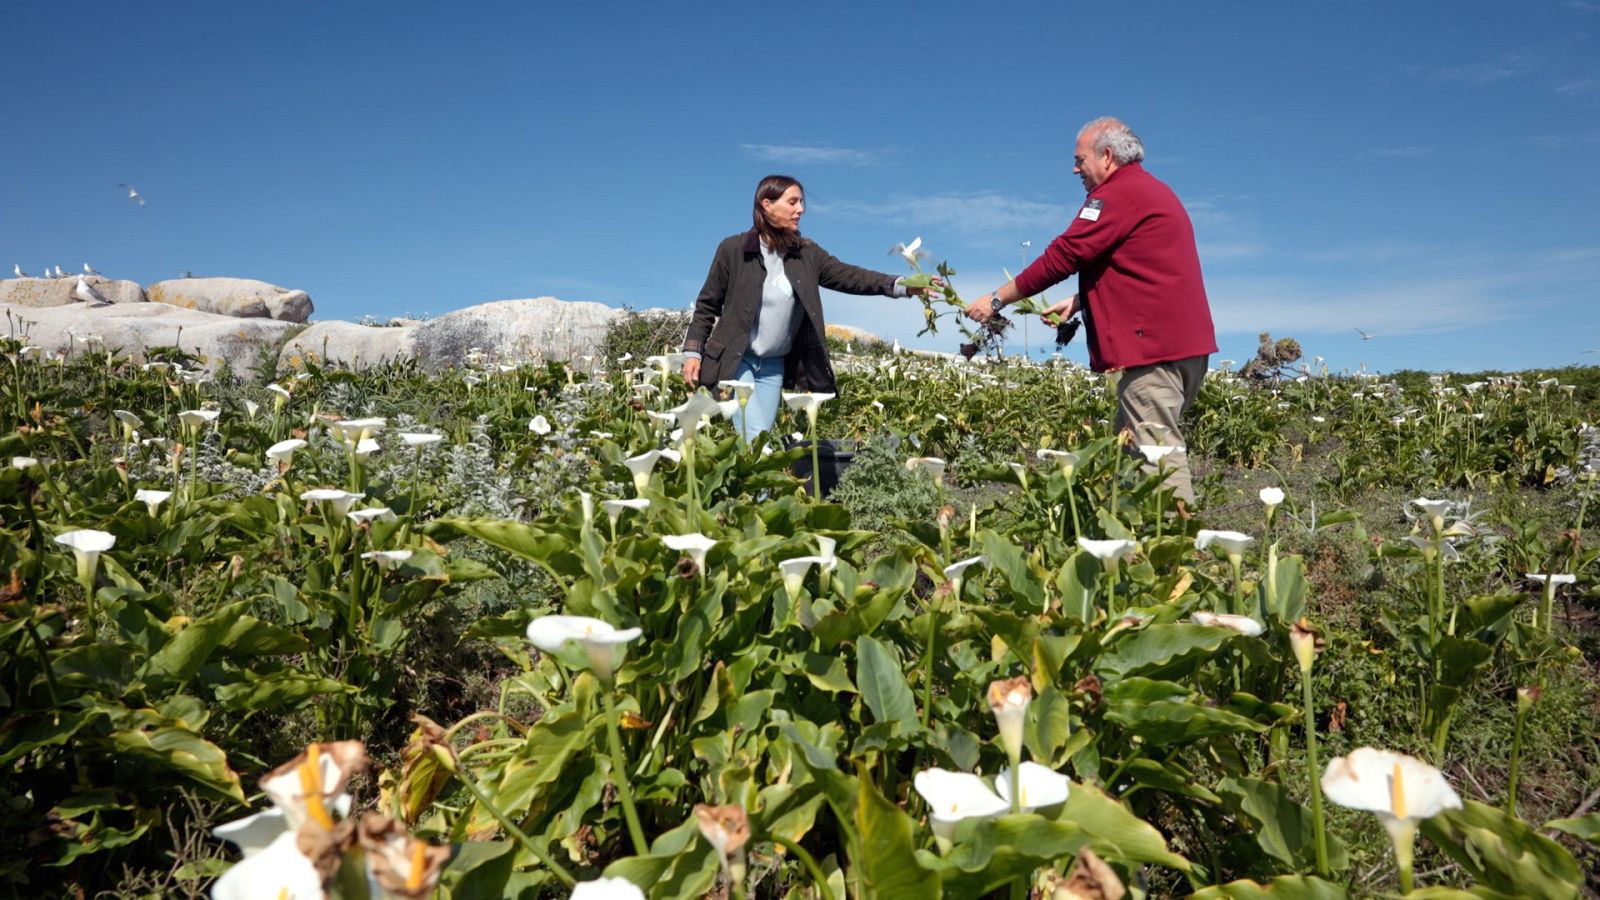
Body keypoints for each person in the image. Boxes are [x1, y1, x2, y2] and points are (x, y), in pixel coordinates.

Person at [965, 117, 1217, 507]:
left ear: (1107, 156)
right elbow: (1142, 264)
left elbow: (1064, 256)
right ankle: (1135, 552)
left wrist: (997, 299)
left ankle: (1179, 554)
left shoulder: (1117, 194)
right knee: (1130, 454)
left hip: (1153, 355)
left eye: (1079, 159)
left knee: (1157, 463)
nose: (1075, 168)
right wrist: (1081, 300)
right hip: (1182, 350)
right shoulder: (1152, 191)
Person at [682, 175, 935, 440]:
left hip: (773, 365)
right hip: (737, 360)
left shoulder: (807, 254)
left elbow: (852, 276)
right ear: (766, 204)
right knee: (754, 434)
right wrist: (692, 353)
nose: (800, 209)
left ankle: (743, 482)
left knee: (759, 439)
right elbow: (707, 305)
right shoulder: (733, 249)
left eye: (801, 202)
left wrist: (904, 285)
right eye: (792, 202)